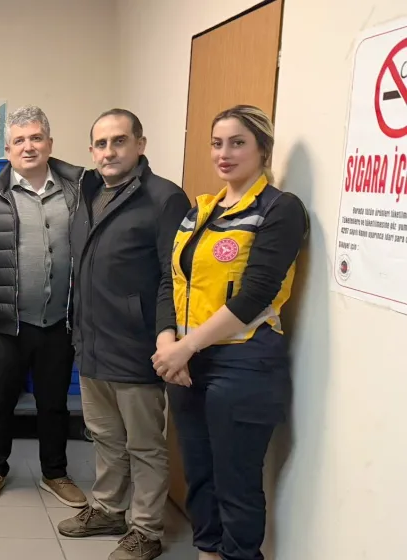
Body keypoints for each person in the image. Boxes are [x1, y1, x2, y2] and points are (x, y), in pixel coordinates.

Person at [152, 105, 308, 560]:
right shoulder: (199, 211)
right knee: (199, 475)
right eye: (217, 143)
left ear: (263, 149)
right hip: (187, 362)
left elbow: (255, 293)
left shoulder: (279, 209)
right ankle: (208, 553)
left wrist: (185, 347)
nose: (224, 153)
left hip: (243, 363)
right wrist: (168, 344)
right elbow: (171, 282)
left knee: (236, 483)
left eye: (238, 143)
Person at [57, 109, 191, 560]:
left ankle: (147, 530)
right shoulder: (89, 193)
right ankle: (109, 509)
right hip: (92, 342)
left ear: (140, 144)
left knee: (144, 444)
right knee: (104, 436)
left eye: (119, 141)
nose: (109, 151)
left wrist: (166, 334)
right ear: (91, 150)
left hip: (137, 345)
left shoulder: (164, 199)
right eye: (101, 144)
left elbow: (174, 277)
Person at [0, 105, 86, 507]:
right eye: (19, 140)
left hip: (60, 321)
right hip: (6, 323)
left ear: (49, 143)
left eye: (35, 138)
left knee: (54, 404)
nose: (28, 146)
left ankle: (55, 473)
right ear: (7, 149)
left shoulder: (77, 190)